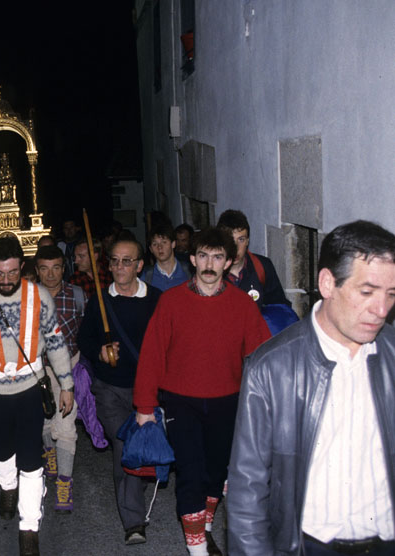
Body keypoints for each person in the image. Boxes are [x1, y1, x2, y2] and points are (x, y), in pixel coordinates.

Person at [228, 220, 395, 556]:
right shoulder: (271, 367)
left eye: (391, 294)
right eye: (366, 292)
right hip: (309, 546)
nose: (381, 310)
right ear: (327, 283)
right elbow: (247, 488)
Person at [133, 227, 271, 556]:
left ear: (228, 262)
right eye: (203, 256)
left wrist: (267, 406)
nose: (210, 264)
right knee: (191, 472)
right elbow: (152, 355)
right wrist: (144, 406)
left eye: (218, 257)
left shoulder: (242, 305)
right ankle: (197, 550)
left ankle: (204, 528)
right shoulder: (171, 301)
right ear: (193, 259)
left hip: (228, 401)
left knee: (217, 472)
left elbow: (263, 358)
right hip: (182, 402)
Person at [0, 235, 74, 556]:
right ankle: (8, 486)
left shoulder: (39, 297)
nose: (6, 280)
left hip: (30, 389)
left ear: (22, 266)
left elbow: (55, 342)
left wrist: (67, 385)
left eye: (12, 272)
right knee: (2, 450)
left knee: (31, 457)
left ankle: (29, 526)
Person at [77, 235, 162, 545]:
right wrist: (99, 352)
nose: (120, 267)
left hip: (148, 390)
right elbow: (84, 339)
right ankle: (133, 522)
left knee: (142, 448)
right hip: (110, 389)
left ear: (139, 265)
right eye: (115, 261)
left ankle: (136, 486)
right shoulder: (100, 301)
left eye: (127, 261)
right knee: (125, 445)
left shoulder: (157, 299)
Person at [35, 245, 85, 513]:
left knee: (65, 426)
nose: (51, 274)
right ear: (37, 270)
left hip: (69, 367)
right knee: (44, 419)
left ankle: (65, 482)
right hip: (38, 370)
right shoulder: (28, 297)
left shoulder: (76, 296)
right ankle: (49, 454)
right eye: (44, 268)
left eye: (56, 267)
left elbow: (87, 332)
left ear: (63, 268)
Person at [216, 209, 290, 307]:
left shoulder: (262, 266)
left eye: (241, 239)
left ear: (247, 241)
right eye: (229, 239)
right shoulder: (210, 271)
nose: (235, 248)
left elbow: (280, 308)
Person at [142, 222, 191, 291]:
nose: (160, 247)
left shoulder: (189, 272)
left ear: (173, 244)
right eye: (155, 244)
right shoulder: (147, 276)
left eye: (164, 242)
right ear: (151, 249)